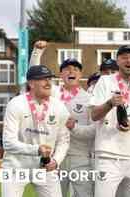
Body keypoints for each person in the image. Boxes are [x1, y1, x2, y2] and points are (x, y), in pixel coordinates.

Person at [29, 41, 96, 197]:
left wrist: (75, 128)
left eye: (75, 69)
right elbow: (34, 72)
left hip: (80, 159)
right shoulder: (52, 93)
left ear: (80, 75)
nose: (71, 71)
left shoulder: (89, 99)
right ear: (61, 74)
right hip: (54, 158)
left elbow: (94, 130)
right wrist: (37, 52)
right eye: (67, 69)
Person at [89, 45, 130, 197]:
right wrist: (110, 104)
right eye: (124, 57)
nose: (128, 60)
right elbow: (94, 115)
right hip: (107, 156)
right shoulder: (104, 82)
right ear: (117, 61)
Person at [2, 65, 70, 197]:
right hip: (16, 167)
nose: (48, 83)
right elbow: (8, 143)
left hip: (45, 168)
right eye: (43, 79)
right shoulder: (16, 104)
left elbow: (64, 140)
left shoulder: (59, 106)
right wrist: (36, 150)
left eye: (50, 79)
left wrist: (55, 161)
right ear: (31, 83)